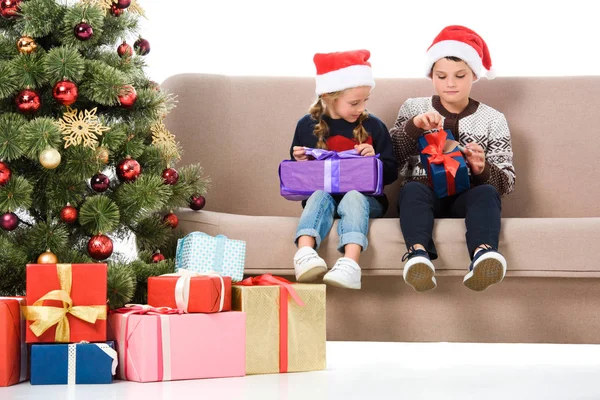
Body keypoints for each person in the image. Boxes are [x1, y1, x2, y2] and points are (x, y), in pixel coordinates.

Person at [390, 26, 516, 292]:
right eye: (441, 76)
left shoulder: (494, 119)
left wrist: (482, 169)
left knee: (486, 194)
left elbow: (506, 184)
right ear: (430, 76)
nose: (450, 83)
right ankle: (418, 256)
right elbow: (391, 161)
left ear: (474, 75)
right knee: (411, 190)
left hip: (466, 197)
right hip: (423, 193)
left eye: (460, 76)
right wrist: (414, 127)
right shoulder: (413, 108)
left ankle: (484, 254)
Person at [290, 49, 397, 290]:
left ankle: (350, 264)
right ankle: (305, 255)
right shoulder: (307, 125)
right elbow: (302, 178)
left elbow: (391, 172)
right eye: (354, 102)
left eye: (365, 101)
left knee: (353, 196)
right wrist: (301, 160)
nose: (361, 108)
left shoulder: (374, 126)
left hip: (365, 201)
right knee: (317, 196)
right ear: (328, 96)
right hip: (324, 197)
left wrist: (375, 161)